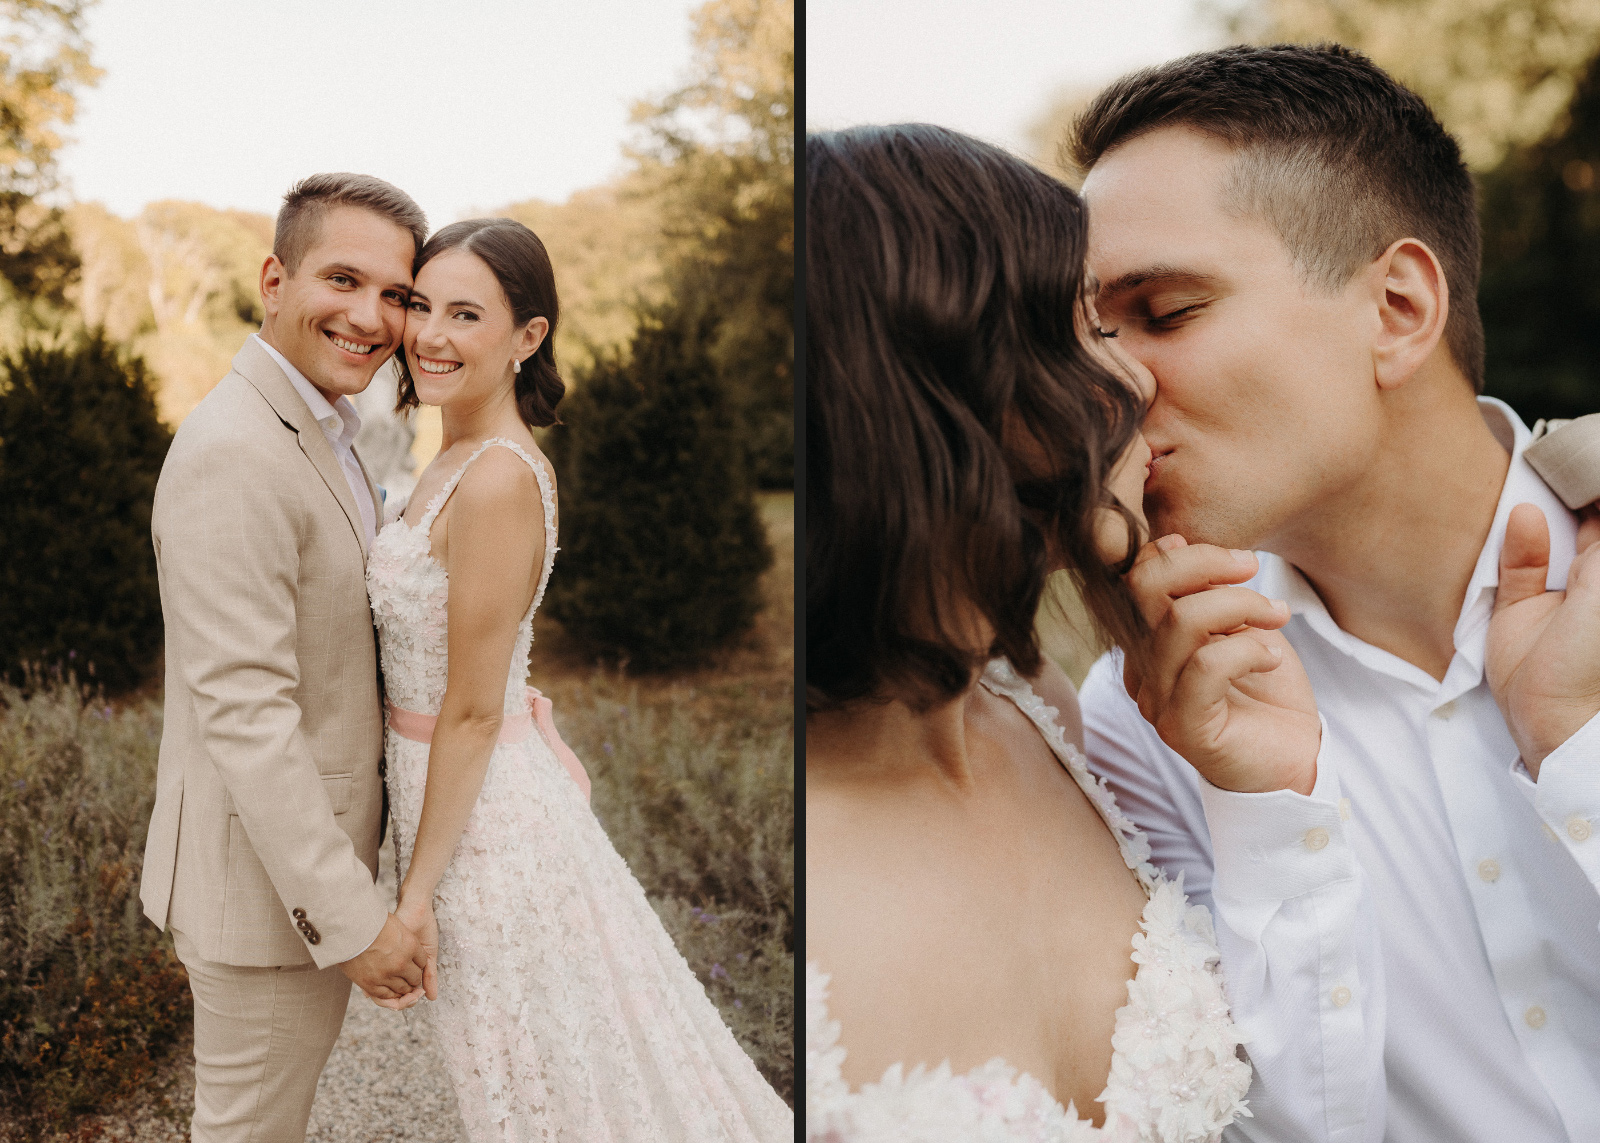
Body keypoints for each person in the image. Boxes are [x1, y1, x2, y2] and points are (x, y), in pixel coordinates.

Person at [1070, 44, 1600, 1142]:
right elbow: (1249, 1117)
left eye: (1163, 311)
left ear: (1397, 307)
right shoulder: (1146, 714)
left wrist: (1576, 752)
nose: (1103, 383)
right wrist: (1263, 811)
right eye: (1085, 335)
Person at [804, 123, 1257, 1141]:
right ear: (934, 387)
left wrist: (1260, 798)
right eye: (1085, 333)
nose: (1138, 382)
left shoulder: (1053, 716)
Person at [366, 216, 792, 1140]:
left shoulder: (497, 480)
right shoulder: (443, 458)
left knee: (539, 1080)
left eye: (465, 313)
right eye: (421, 306)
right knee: (526, 1074)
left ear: (528, 336)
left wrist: (415, 896)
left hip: (486, 826)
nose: (430, 335)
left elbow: (474, 711)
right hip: (444, 800)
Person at [140, 172, 435, 1142]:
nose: (370, 315)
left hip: (284, 879)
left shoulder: (325, 429)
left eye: (394, 293)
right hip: (266, 898)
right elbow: (247, 715)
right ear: (274, 279)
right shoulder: (236, 450)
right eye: (342, 280)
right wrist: (352, 923)